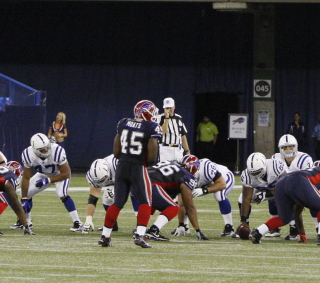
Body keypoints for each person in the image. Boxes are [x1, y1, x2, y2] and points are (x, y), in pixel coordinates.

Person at [99, 100, 161, 248]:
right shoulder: (151, 127)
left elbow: (116, 152)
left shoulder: (123, 122)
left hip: (122, 166)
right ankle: (140, 235)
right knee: (145, 201)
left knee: (118, 203)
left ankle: (105, 236)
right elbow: (152, 156)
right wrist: (146, 163)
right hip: (138, 166)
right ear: (145, 112)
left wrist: (125, 160)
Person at [249, 164, 320, 245]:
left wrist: (302, 234)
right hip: (298, 180)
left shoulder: (313, 174)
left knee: (284, 218)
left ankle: (257, 232)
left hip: (281, 183)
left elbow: (297, 210)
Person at [18, 133, 80, 231]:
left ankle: (78, 223)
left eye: (47, 147)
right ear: (35, 149)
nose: (46, 150)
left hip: (59, 174)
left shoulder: (57, 150)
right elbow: (26, 177)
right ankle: (27, 222)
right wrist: (24, 198)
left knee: (61, 193)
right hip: (43, 174)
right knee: (26, 193)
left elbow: (66, 174)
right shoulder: (28, 154)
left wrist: (48, 180)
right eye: (43, 149)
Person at [175, 154, 237, 237]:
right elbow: (182, 201)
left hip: (225, 177)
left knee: (219, 195)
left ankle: (229, 228)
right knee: (185, 196)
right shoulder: (183, 174)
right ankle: (185, 227)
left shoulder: (206, 168)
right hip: (206, 183)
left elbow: (222, 184)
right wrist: (181, 224)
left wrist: (204, 190)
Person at [154, 97, 190, 163]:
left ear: (174, 107)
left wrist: (187, 151)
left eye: (171, 107)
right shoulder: (160, 118)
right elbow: (163, 131)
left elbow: (183, 136)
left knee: (179, 170)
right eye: (167, 108)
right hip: (165, 149)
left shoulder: (179, 118)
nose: (169, 110)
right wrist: (167, 118)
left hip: (178, 149)